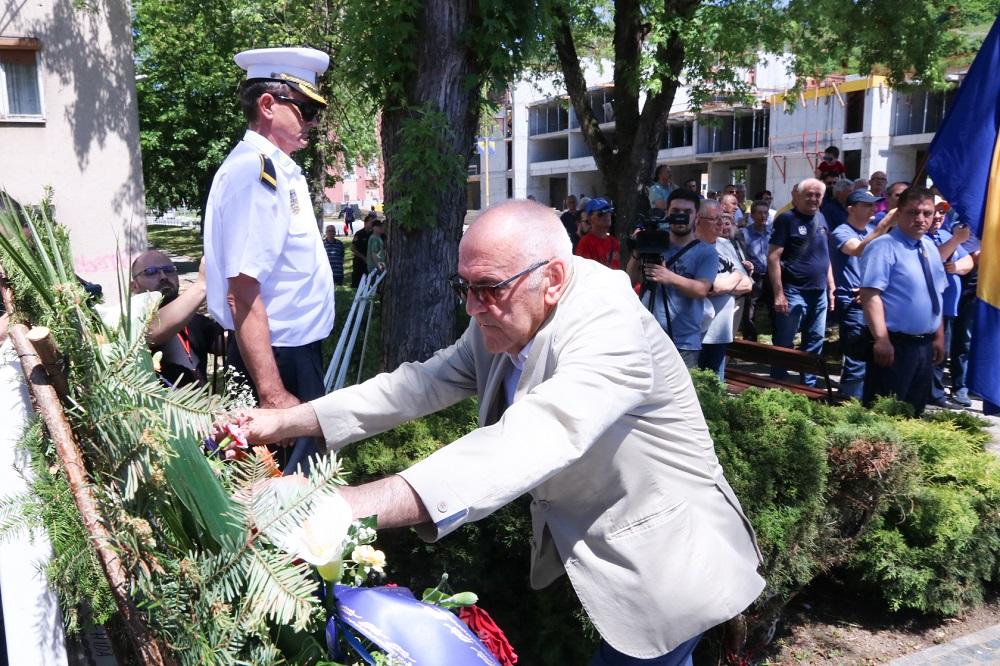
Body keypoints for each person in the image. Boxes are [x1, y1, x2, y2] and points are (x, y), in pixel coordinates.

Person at [219, 199, 765, 664]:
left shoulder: (610, 326)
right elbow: (418, 385)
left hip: (669, 561)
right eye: (464, 287)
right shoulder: (506, 310)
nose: (473, 307)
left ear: (552, 278)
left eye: (486, 288)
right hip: (615, 550)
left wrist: (331, 506)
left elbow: (532, 437)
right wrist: (282, 421)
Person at [202, 47, 335, 473]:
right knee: (290, 490)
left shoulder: (277, 170)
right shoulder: (255, 175)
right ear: (267, 105)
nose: (313, 122)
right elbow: (242, 291)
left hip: (292, 355)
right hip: (279, 361)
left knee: (298, 484)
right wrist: (273, 394)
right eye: (305, 109)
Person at [859, 187, 947, 415]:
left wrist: (939, 335)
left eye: (927, 213)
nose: (920, 219)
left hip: (924, 346)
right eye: (913, 212)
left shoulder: (929, 247)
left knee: (913, 412)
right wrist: (881, 339)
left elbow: (935, 293)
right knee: (884, 414)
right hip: (894, 345)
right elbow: (870, 295)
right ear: (898, 214)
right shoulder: (883, 246)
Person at [626, 189, 718, 368]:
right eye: (675, 212)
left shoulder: (706, 252)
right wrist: (638, 247)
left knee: (679, 396)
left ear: (696, 217)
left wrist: (669, 277)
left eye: (687, 212)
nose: (680, 217)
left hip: (683, 343)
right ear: (667, 213)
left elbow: (701, 290)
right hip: (646, 338)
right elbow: (631, 279)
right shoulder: (655, 242)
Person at [767, 178, 835, 387]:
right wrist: (779, 293)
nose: (813, 199)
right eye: (809, 195)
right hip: (792, 291)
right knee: (784, 343)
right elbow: (773, 257)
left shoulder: (822, 218)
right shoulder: (786, 219)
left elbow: (825, 255)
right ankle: (778, 387)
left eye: (818, 195)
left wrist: (831, 285)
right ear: (798, 196)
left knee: (814, 342)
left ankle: (808, 388)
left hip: (819, 292)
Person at [828, 191, 892, 399]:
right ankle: (849, 404)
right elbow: (856, 250)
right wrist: (884, 227)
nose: (873, 209)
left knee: (873, 358)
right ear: (851, 209)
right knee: (856, 360)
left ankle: (866, 401)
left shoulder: (873, 230)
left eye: (874, 205)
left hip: (873, 302)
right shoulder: (842, 231)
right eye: (867, 205)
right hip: (852, 306)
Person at [131, 251, 222, 388]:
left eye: (169, 270)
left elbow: (226, 344)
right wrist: (202, 285)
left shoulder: (194, 320)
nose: (163, 277)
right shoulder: (132, 322)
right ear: (134, 286)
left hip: (200, 407)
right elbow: (150, 331)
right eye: (151, 272)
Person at [925, 198, 973, 407]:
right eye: (934, 212)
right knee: (933, 353)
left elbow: (969, 261)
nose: (938, 217)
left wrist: (956, 267)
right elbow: (935, 259)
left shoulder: (944, 234)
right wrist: (955, 241)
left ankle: (936, 394)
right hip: (931, 307)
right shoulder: (922, 237)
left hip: (949, 307)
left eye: (942, 213)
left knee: (942, 352)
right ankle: (931, 395)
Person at [696, 203, 753, 380]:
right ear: (698, 220)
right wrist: (735, 276)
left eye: (723, 218)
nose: (721, 223)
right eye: (715, 219)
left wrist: (726, 282)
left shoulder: (726, 244)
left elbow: (748, 284)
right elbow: (709, 287)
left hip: (721, 331)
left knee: (716, 385)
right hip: (697, 331)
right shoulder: (692, 246)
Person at [740, 200, 773, 341]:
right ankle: (749, 338)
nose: (763, 216)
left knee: (772, 306)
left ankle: (776, 336)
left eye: (765, 212)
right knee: (749, 309)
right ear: (752, 215)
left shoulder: (772, 233)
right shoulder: (744, 234)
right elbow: (742, 255)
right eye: (759, 213)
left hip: (771, 276)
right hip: (754, 276)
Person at [574, 198, 620, 269]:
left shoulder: (614, 242)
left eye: (609, 211)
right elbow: (583, 273)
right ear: (590, 218)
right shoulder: (585, 243)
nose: (607, 215)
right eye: (601, 213)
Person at [351, 212, 375, 288]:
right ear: (366, 222)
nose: (373, 224)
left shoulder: (373, 234)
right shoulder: (359, 234)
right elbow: (353, 248)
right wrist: (363, 257)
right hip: (359, 262)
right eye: (371, 222)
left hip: (370, 261)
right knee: (358, 282)